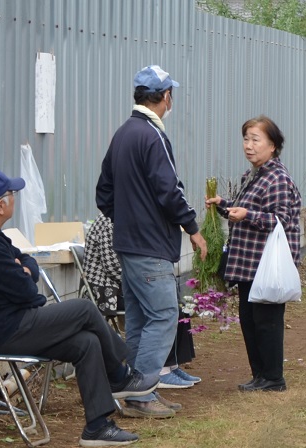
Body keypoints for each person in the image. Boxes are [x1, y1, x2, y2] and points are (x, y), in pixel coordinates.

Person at [0, 168, 159, 446]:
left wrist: (24, 269)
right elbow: (26, 289)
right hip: (4, 331)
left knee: (85, 342)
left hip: (16, 322)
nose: (15, 198)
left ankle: (97, 427)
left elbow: (26, 261)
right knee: (84, 309)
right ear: (1, 205)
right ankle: (119, 376)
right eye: (12, 194)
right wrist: (24, 275)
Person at [96, 65, 207, 417]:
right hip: (150, 247)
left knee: (142, 320)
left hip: (128, 244)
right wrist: (192, 226)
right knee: (163, 314)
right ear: (165, 97)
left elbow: (104, 193)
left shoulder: (123, 133)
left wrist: (127, 219)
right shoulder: (151, 135)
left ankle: (137, 392)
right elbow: (169, 190)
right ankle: (140, 394)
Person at [206, 115, 302, 392]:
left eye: (255, 139)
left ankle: (274, 378)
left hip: (266, 265)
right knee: (249, 320)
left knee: (267, 322)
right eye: (246, 139)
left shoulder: (278, 178)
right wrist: (223, 205)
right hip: (248, 263)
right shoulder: (253, 174)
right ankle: (260, 375)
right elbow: (244, 209)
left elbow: (283, 221)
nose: (248, 145)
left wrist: (247, 214)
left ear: (273, 145)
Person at [82, 213, 200, 397]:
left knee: (175, 306)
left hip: (124, 283)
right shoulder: (110, 220)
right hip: (108, 292)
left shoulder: (121, 214)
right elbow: (113, 266)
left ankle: (171, 365)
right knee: (161, 310)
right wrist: (143, 272)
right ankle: (159, 373)